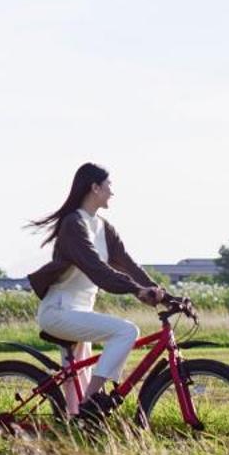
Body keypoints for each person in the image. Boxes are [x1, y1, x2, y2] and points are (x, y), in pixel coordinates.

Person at [26, 162, 165, 419]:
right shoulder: (73, 225)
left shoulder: (102, 227)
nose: (112, 192)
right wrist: (136, 291)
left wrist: (161, 293)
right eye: (109, 185)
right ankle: (92, 404)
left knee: (77, 385)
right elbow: (97, 269)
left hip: (79, 314)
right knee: (126, 331)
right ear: (95, 188)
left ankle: (81, 417)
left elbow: (127, 263)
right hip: (58, 312)